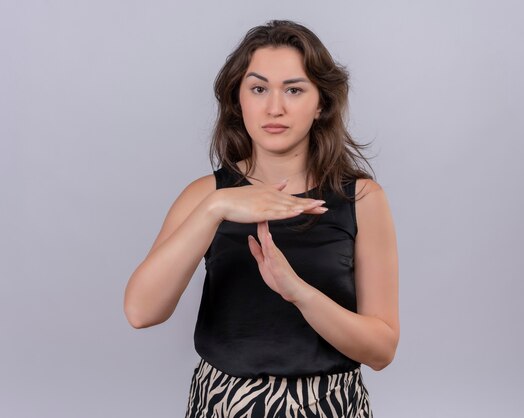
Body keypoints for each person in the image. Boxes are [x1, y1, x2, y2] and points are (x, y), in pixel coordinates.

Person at [123, 20, 399, 418]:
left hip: (330, 406)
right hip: (223, 405)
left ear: (321, 103)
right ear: (239, 100)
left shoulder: (362, 198)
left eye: (294, 89)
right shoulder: (204, 195)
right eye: (258, 89)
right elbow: (141, 312)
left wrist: (298, 292)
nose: (275, 107)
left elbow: (382, 350)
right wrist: (216, 208)